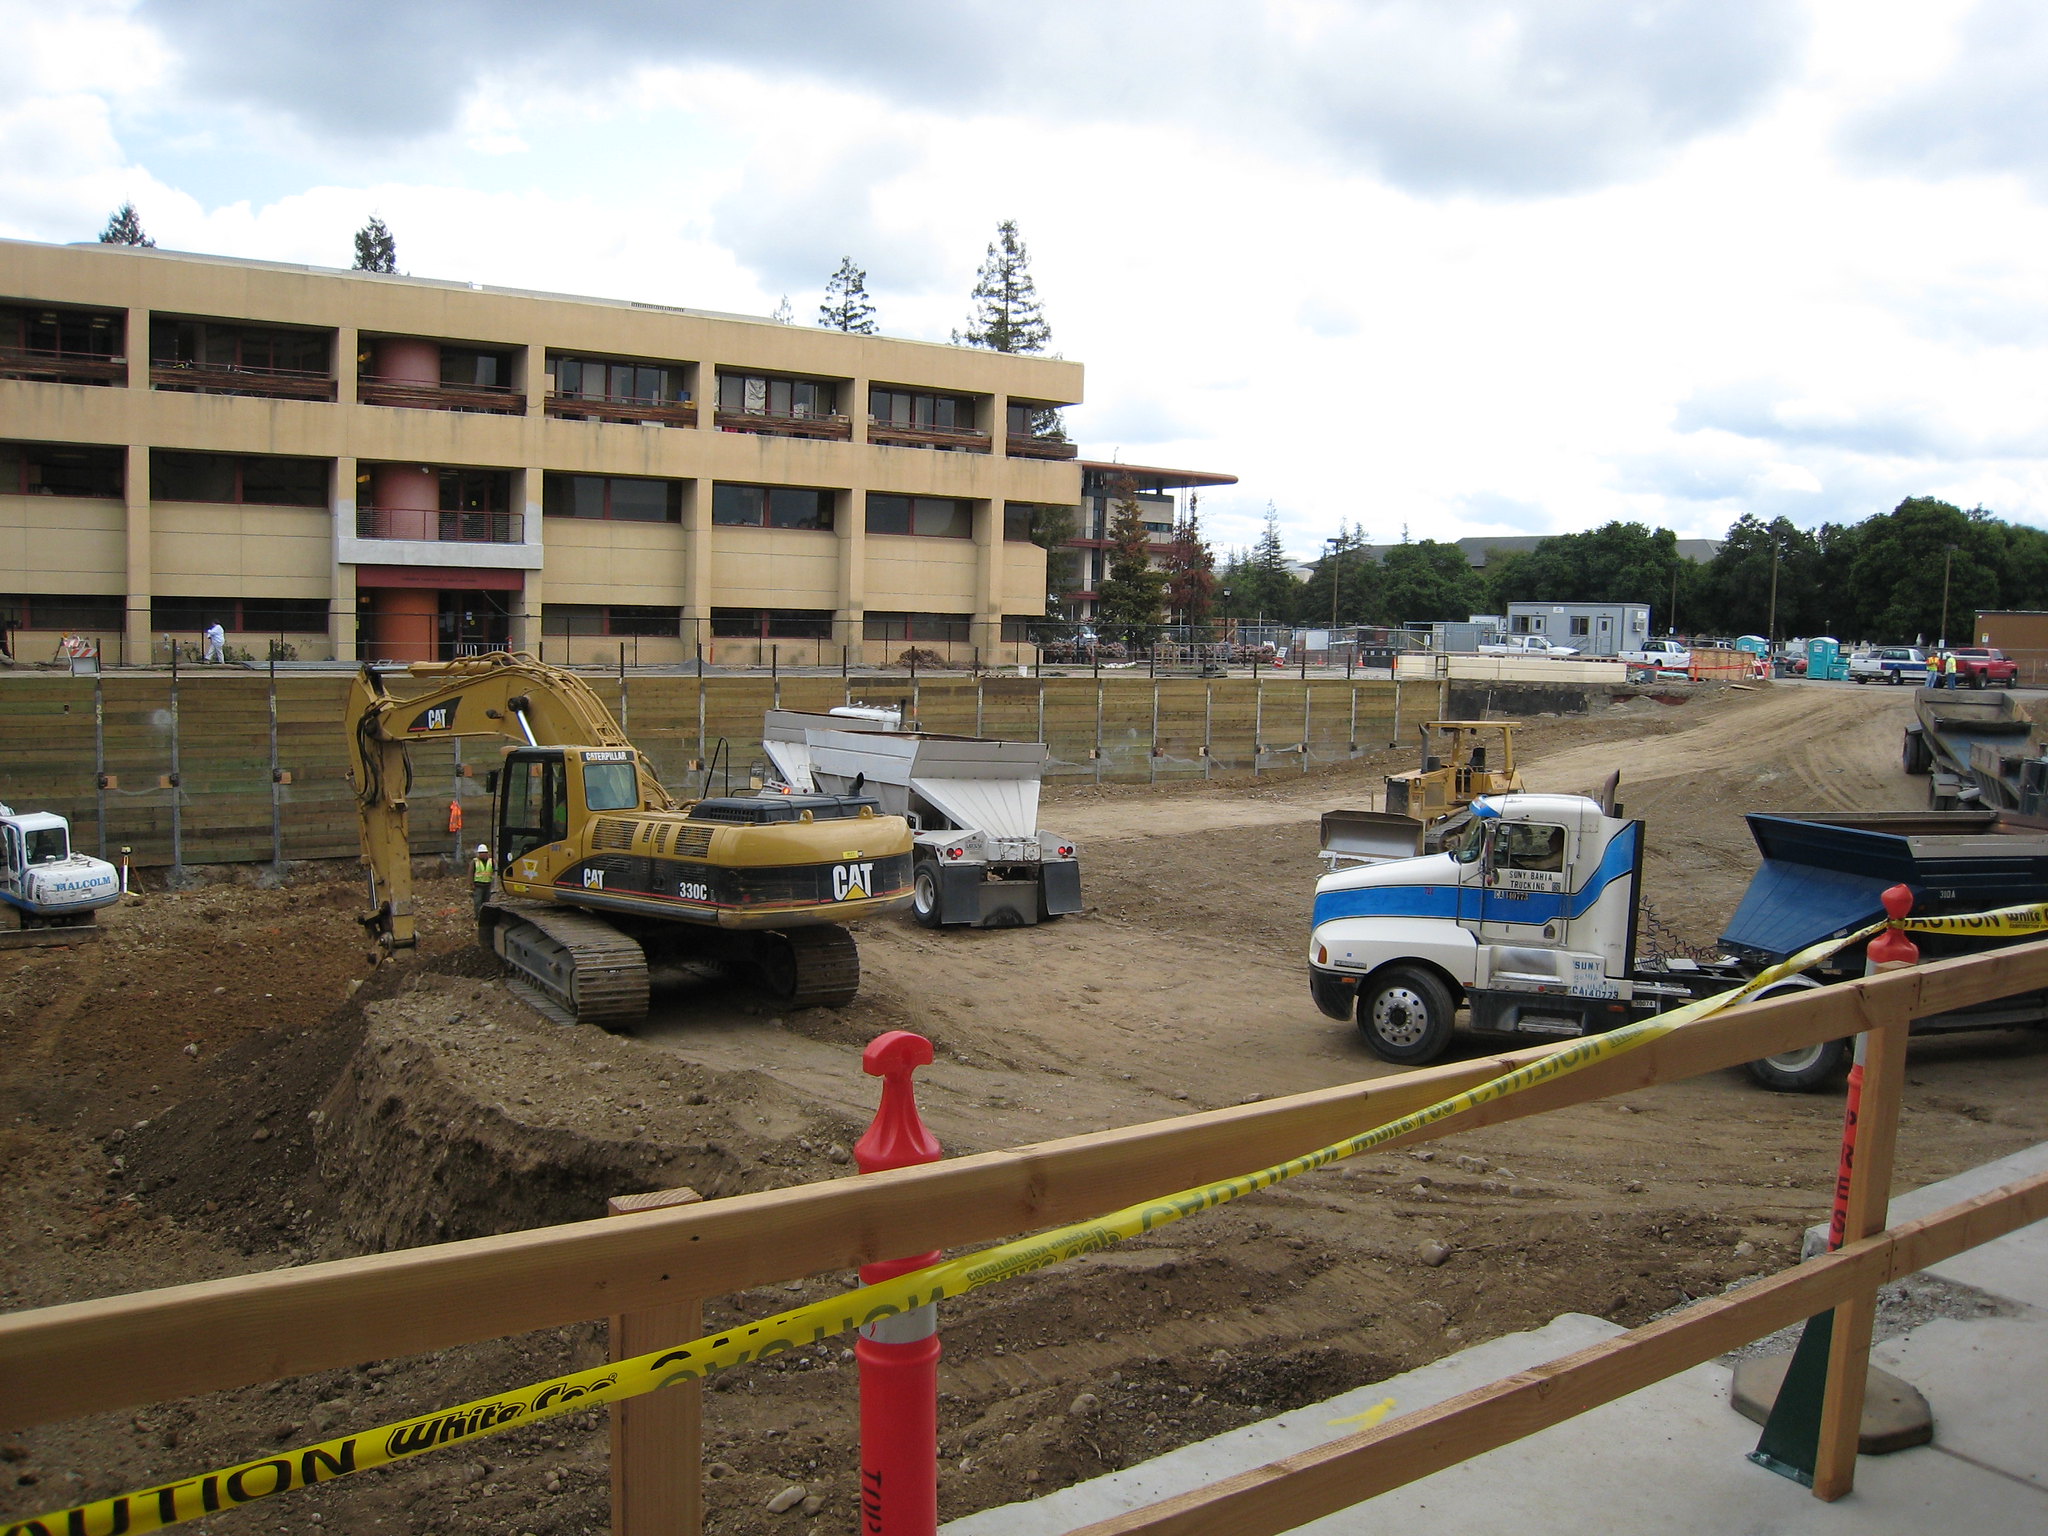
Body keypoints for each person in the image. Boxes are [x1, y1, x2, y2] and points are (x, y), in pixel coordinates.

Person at [471, 843, 494, 914]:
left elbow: (495, 871)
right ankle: (478, 916)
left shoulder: (492, 861)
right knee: (478, 902)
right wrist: (471, 884)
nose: (483, 854)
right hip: (478, 886)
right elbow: (470, 873)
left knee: (486, 903)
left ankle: (485, 916)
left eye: (484, 853)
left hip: (488, 885)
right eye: (481, 853)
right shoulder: (475, 862)